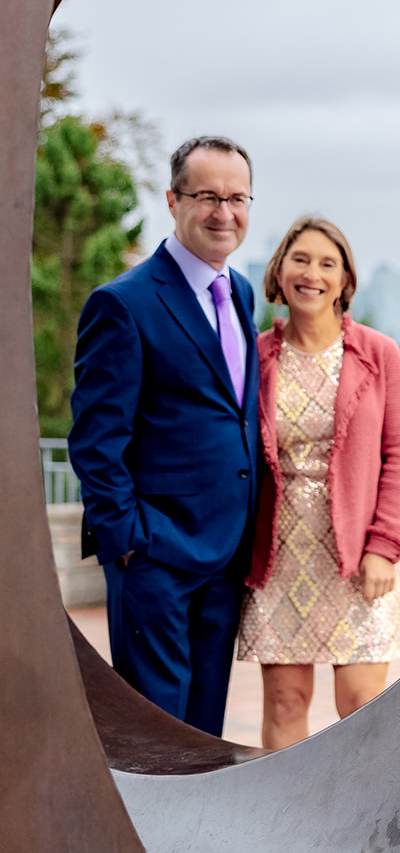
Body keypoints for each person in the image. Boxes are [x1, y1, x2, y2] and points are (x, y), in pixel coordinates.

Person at [69, 134, 259, 735]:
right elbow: (95, 440)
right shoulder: (122, 304)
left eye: (237, 198)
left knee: (205, 728)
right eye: (206, 196)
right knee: (155, 732)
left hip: (227, 552)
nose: (223, 213)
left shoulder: (242, 293)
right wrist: (127, 541)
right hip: (155, 554)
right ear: (173, 200)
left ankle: (195, 835)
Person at [238, 216, 400, 749]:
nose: (311, 273)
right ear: (278, 272)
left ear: (344, 280)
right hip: (279, 551)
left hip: (361, 551)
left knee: (362, 704)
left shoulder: (378, 353)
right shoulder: (255, 355)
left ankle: (361, 827)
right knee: (286, 700)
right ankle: (288, 823)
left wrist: (385, 546)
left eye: (326, 263)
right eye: (300, 259)